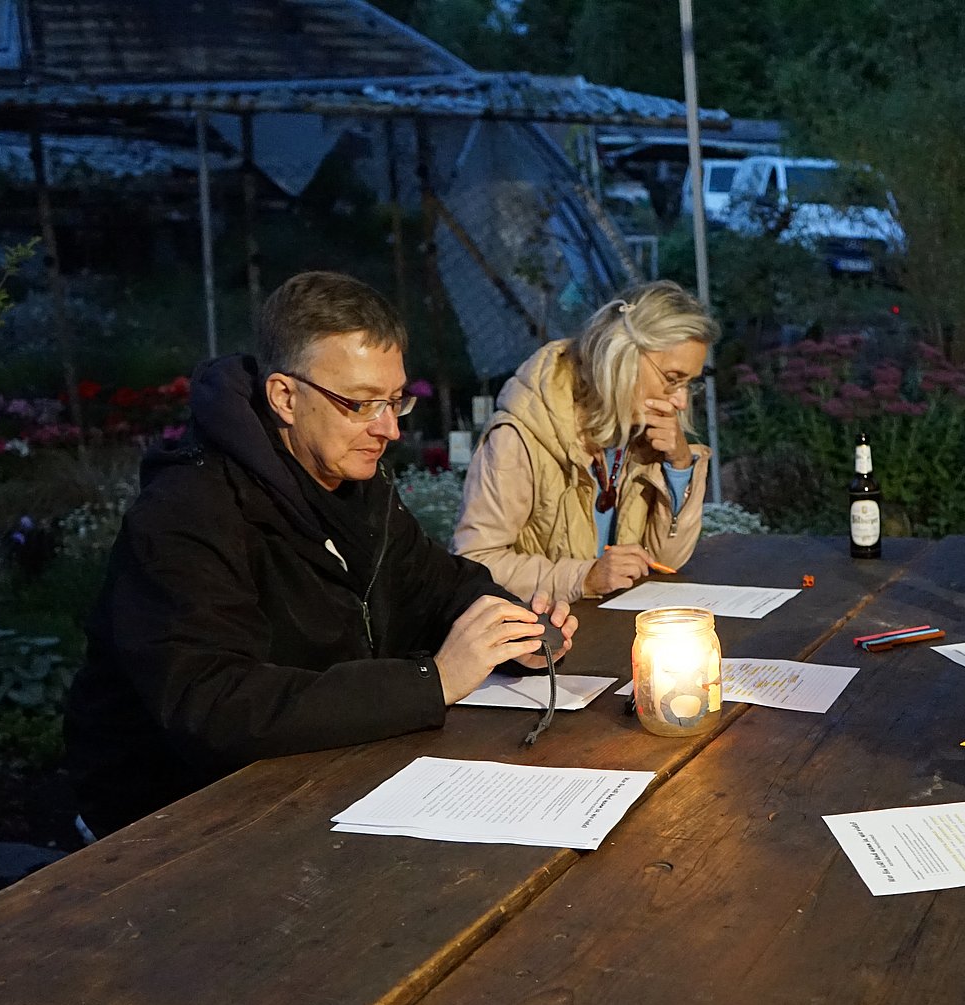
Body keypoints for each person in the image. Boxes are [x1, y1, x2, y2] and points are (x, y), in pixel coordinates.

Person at [65, 271, 575, 841]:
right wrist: (433, 681)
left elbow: (438, 584)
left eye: (395, 401)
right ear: (285, 396)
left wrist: (518, 630)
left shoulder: (354, 484)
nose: (388, 429)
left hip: (329, 785)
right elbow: (215, 707)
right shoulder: (188, 513)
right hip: (176, 829)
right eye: (360, 404)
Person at [452, 280, 718, 601]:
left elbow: (666, 562)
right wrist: (584, 577)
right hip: (539, 639)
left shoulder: (639, 433)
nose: (680, 402)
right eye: (673, 380)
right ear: (622, 355)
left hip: (610, 627)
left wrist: (678, 465)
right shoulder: (518, 437)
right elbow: (474, 562)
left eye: (689, 384)